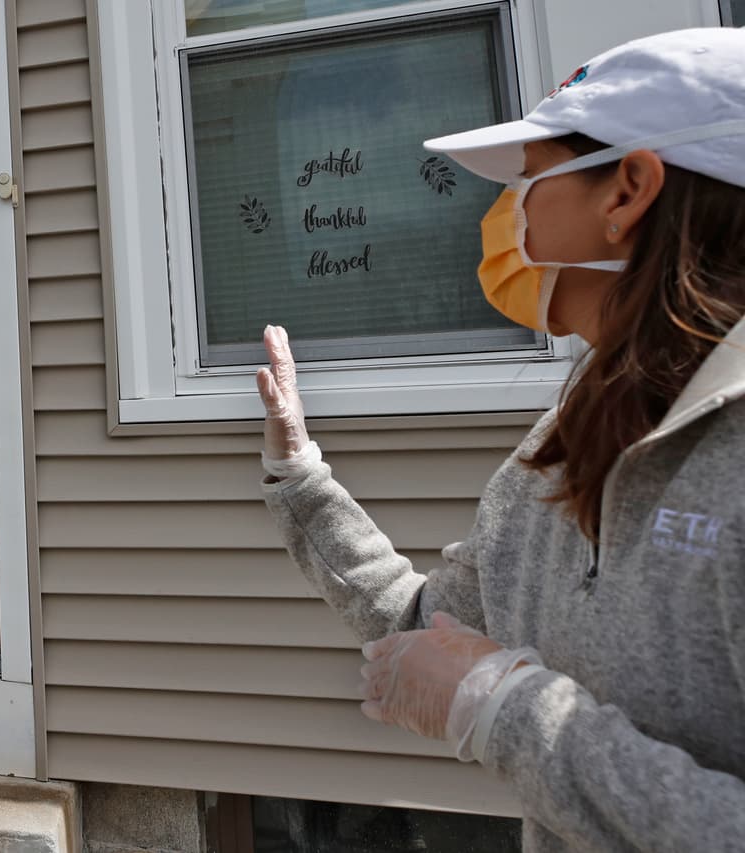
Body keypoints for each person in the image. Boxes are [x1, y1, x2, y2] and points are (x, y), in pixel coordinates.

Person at [256, 28, 745, 852]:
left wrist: (505, 707)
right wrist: (300, 474)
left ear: (628, 190)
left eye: (529, 179)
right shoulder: (559, 444)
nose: (504, 213)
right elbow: (429, 625)